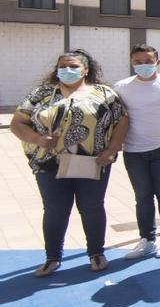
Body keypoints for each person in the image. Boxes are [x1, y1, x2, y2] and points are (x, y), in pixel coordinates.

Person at [11, 50, 128, 277]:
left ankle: (96, 253)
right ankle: (52, 258)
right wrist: (38, 139)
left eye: (73, 66)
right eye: (62, 66)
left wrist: (112, 149)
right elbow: (18, 123)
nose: (67, 70)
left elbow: (122, 120)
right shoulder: (42, 94)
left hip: (92, 162)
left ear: (86, 70)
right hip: (49, 163)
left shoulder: (104, 94)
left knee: (92, 208)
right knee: (55, 210)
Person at [114, 44, 160, 260]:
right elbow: (119, 117)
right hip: (133, 150)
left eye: (148, 61)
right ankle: (147, 239)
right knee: (143, 196)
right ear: (131, 63)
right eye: (138, 62)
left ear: (157, 61)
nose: (143, 65)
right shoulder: (121, 87)